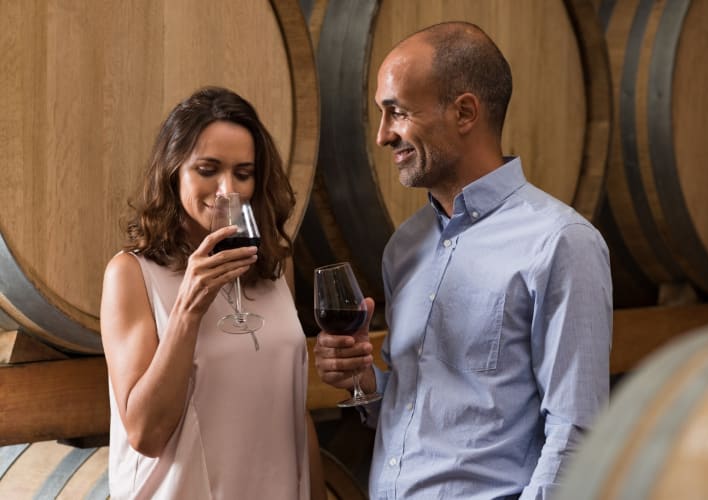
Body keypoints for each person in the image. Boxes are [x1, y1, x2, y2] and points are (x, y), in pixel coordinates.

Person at [314, 22, 612, 500]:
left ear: (465, 112)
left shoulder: (560, 242)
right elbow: (420, 402)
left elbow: (578, 431)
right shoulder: (404, 247)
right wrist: (366, 380)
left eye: (397, 113)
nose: (382, 136)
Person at [100, 86, 323, 499]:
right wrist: (187, 309)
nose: (227, 189)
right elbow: (146, 434)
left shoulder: (275, 267)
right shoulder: (133, 274)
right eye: (208, 169)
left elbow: (293, 411)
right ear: (174, 170)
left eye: (243, 173)